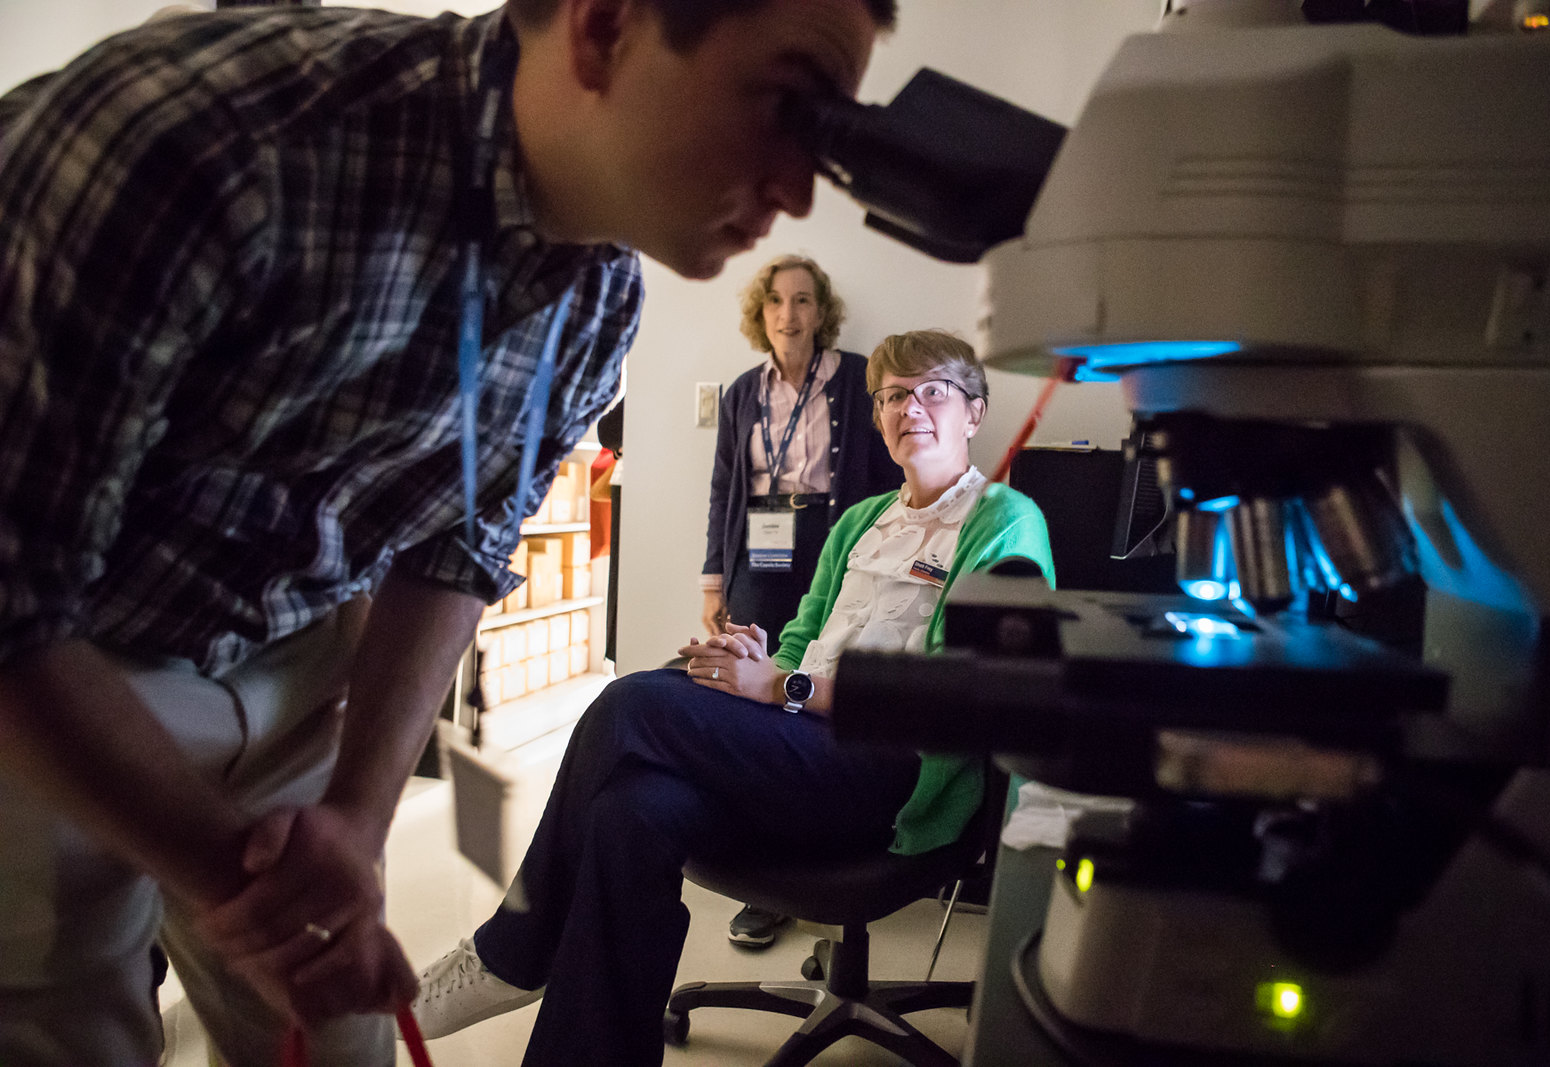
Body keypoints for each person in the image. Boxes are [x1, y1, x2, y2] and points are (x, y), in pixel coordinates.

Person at [0, 1, 894, 1065]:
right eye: (784, 104)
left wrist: (355, 826)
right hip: (60, 671)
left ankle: (514, 948)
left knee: (333, 1037)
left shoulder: (599, 299)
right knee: (70, 1029)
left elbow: (459, 545)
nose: (797, 191)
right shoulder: (200, 148)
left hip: (293, 649)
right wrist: (240, 878)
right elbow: (12, 596)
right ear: (605, 29)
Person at [411, 329, 1055, 1066]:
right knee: (633, 810)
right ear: (878, 417)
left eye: (933, 390)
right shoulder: (858, 521)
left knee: (632, 704)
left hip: (893, 777)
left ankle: (514, 951)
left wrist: (782, 686)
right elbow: (802, 638)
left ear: (974, 412)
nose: (911, 407)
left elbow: (959, 699)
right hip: (800, 749)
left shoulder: (1005, 520)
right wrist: (756, 661)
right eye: (893, 395)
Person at [700, 253, 900, 947]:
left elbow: (883, 474)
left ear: (822, 311)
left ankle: (834, 852)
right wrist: (713, 580)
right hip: (758, 548)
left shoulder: (854, 377)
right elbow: (726, 488)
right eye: (777, 302)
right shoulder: (740, 393)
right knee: (754, 696)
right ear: (762, 314)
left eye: (804, 300)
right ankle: (767, 878)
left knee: (819, 686)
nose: (790, 314)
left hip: (832, 538)